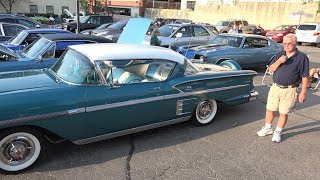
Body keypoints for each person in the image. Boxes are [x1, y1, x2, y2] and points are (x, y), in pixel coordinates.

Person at [257, 33, 309, 143]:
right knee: (270, 109)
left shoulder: (302, 57)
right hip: (275, 87)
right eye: (284, 44)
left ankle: (278, 132)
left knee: (283, 113)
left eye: (289, 43)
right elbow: (270, 70)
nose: (286, 46)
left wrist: (303, 92)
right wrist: (279, 61)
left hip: (290, 90)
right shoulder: (279, 54)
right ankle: (268, 128)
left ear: (295, 43)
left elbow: (305, 77)